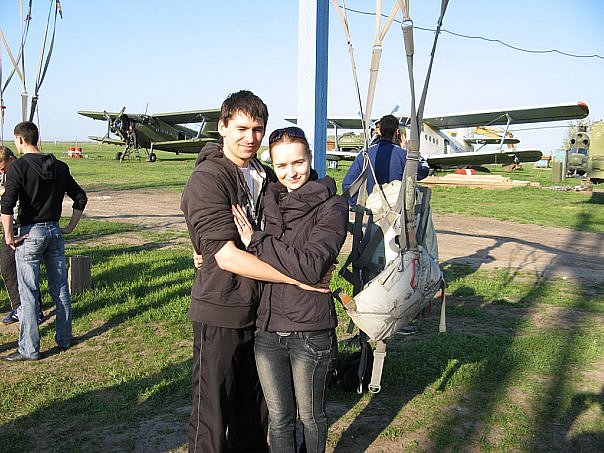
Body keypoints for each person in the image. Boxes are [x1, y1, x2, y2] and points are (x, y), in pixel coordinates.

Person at [181, 90, 326, 453]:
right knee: (212, 413)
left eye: (258, 129)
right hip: (222, 309)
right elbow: (227, 257)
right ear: (222, 127)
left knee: (255, 412)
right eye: (241, 128)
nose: (250, 138)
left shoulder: (264, 174)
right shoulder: (208, 178)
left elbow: (303, 197)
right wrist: (297, 278)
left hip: (262, 313)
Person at [231, 126, 348, 453]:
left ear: (310, 158)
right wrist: (203, 253)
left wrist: (258, 241)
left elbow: (311, 266)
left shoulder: (333, 206)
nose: (291, 172)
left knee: (310, 417)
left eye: (298, 162)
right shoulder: (268, 201)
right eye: (281, 165)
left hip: (310, 331)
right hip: (268, 330)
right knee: (280, 419)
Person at [0, 121, 87, 361]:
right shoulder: (59, 166)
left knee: (28, 292)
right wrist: (69, 226)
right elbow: (80, 197)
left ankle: (29, 349)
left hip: (30, 234)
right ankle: (64, 338)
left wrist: (9, 235)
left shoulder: (18, 167)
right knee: (60, 289)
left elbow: (7, 205)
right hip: (54, 232)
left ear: (20, 140)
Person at [342, 113, 430, 208]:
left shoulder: (365, 154)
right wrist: (409, 151)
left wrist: (357, 206)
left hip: (375, 209)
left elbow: (347, 184)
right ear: (397, 132)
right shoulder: (403, 154)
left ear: (380, 131)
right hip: (398, 210)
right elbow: (424, 170)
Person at [0, 145, 44, 325]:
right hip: (10, 226)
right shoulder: (5, 174)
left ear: (11, 159)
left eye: (3, 168)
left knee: (27, 270)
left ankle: (35, 309)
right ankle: (19, 307)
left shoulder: (22, 168)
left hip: (26, 225)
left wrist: (6, 192)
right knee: (7, 267)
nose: (2, 171)